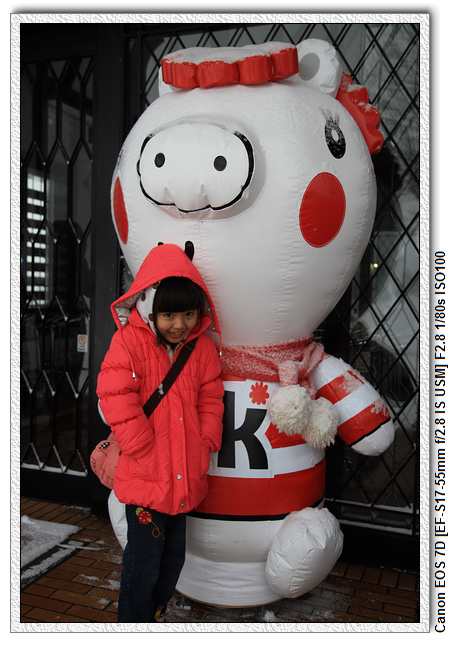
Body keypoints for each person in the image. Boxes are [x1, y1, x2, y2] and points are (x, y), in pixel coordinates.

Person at [97, 243, 224, 623]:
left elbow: (211, 397)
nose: (179, 324)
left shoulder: (201, 348)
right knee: (143, 564)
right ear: (150, 309)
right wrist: (139, 444)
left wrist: (205, 441)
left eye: (188, 313)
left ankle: (154, 613)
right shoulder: (128, 342)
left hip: (184, 473)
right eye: (168, 314)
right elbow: (114, 394)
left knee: (173, 560)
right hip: (144, 475)